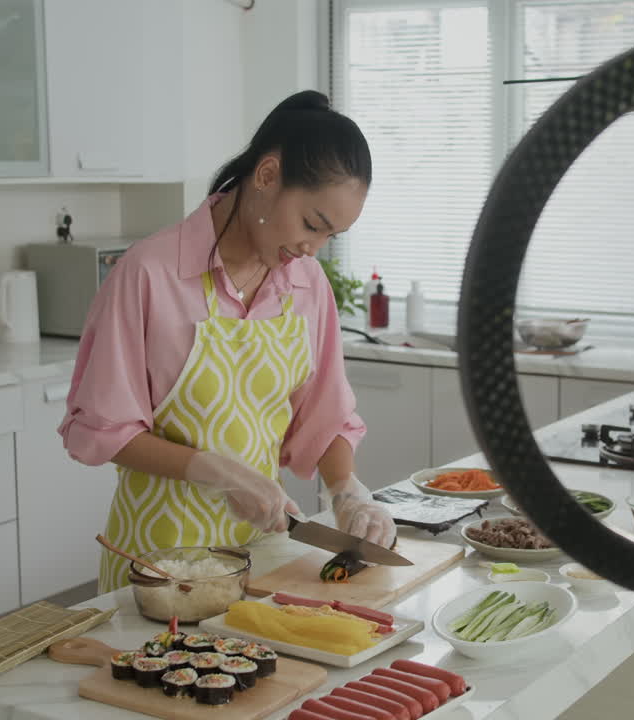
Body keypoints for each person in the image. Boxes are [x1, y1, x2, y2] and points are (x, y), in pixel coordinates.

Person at [60, 90, 395, 592]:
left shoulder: (307, 284)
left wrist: (346, 489)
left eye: (330, 237)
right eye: (311, 224)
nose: (312, 248)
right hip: (158, 565)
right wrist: (210, 469)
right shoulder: (150, 275)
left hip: (263, 557)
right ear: (266, 176)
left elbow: (326, 416)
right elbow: (103, 429)